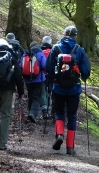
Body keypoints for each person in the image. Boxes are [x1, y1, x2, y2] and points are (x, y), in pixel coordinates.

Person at [46, 26, 91, 155]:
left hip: (58, 88)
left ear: (64, 34)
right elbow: (86, 71)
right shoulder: (79, 50)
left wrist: (52, 79)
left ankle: (59, 134)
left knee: (59, 112)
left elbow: (48, 68)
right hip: (74, 89)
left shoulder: (55, 48)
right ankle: (70, 147)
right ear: (75, 36)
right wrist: (83, 75)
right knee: (72, 116)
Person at [22, 42, 47, 123]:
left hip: (28, 80)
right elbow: (44, 65)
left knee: (30, 96)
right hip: (38, 79)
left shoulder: (26, 54)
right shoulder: (40, 54)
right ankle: (32, 113)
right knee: (36, 97)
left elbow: (20, 65)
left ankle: (30, 112)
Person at [40, 36, 53, 120]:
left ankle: (44, 110)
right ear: (50, 43)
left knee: (43, 92)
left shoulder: (40, 51)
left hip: (42, 75)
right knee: (50, 92)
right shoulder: (54, 51)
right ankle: (49, 108)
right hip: (51, 75)